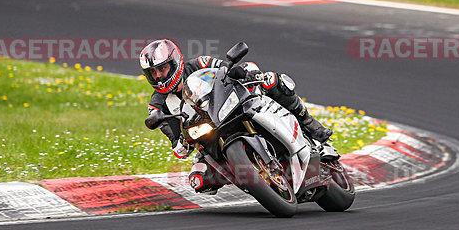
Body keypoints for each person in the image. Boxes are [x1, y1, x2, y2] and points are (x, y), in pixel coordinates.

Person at [139, 39, 332, 193]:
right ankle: (253, 175)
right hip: (209, 136)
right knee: (198, 180)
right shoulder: (158, 104)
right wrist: (180, 142)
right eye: (153, 73)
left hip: (230, 107)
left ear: (175, 62)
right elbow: (177, 145)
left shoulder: (199, 63)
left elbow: (226, 69)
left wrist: (243, 72)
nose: (159, 77)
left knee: (271, 81)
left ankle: (309, 123)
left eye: (162, 69)